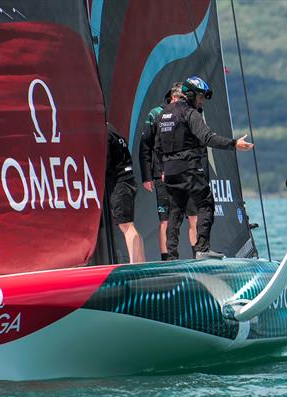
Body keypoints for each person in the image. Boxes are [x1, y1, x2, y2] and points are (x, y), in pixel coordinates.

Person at [155, 76, 254, 260]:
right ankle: (202, 248)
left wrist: (162, 169)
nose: (201, 101)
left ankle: (170, 255)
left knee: (176, 209)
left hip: (169, 171)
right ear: (191, 94)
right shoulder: (190, 113)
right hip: (189, 168)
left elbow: (158, 146)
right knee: (206, 202)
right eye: (200, 97)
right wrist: (233, 144)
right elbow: (207, 138)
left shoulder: (163, 114)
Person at [139, 82, 198, 260]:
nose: (186, 103)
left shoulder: (189, 113)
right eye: (183, 99)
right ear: (174, 98)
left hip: (187, 172)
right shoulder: (156, 113)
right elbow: (146, 146)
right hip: (162, 173)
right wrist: (147, 176)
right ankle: (167, 260)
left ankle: (199, 256)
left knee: (194, 216)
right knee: (165, 219)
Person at [107, 123, 145, 263]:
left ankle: (134, 265)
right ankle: (140, 263)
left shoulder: (106, 134)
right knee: (130, 225)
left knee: (126, 225)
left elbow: (104, 161)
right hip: (127, 181)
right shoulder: (113, 130)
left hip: (121, 184)